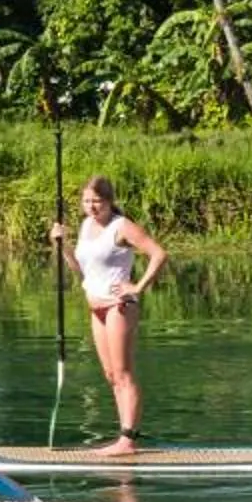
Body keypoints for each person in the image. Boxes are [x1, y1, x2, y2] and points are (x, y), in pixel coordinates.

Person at [47, 176, 168, 450]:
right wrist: (62, 245)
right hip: (96, 307)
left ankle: (128, 440)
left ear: (109, 201)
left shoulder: (121, 226)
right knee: (111, 375)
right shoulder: (86, 226)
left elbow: (159, 254)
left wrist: (137, 287)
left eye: (97, 202)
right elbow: (82, 270)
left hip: (119, 307)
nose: (91, 207)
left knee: (123, 373)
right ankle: (124, 435)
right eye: (87, 201)